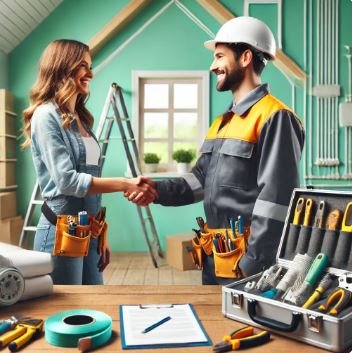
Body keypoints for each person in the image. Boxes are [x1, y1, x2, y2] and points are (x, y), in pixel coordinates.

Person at [127, 16, 305, 285]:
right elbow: (200, 179)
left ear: (245, 57)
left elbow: (278, 201)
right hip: (217, 256)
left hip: (249, 264)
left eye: (220, 56)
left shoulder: (275, 117)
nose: (213, 66)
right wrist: (156, 190)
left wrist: (253, 263)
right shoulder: (222, 123)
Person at [22, 39, 157, 285]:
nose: (91, 73)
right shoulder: (46, 115)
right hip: (60, 233)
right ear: (63, 67)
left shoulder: (81, 120)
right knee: (67, 315)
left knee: (93, 308)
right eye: (83, 66)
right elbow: (67, 182)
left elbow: (88, 189)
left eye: (90, 66)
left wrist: (99, 233)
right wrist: (126, 184)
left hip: (88, 231)